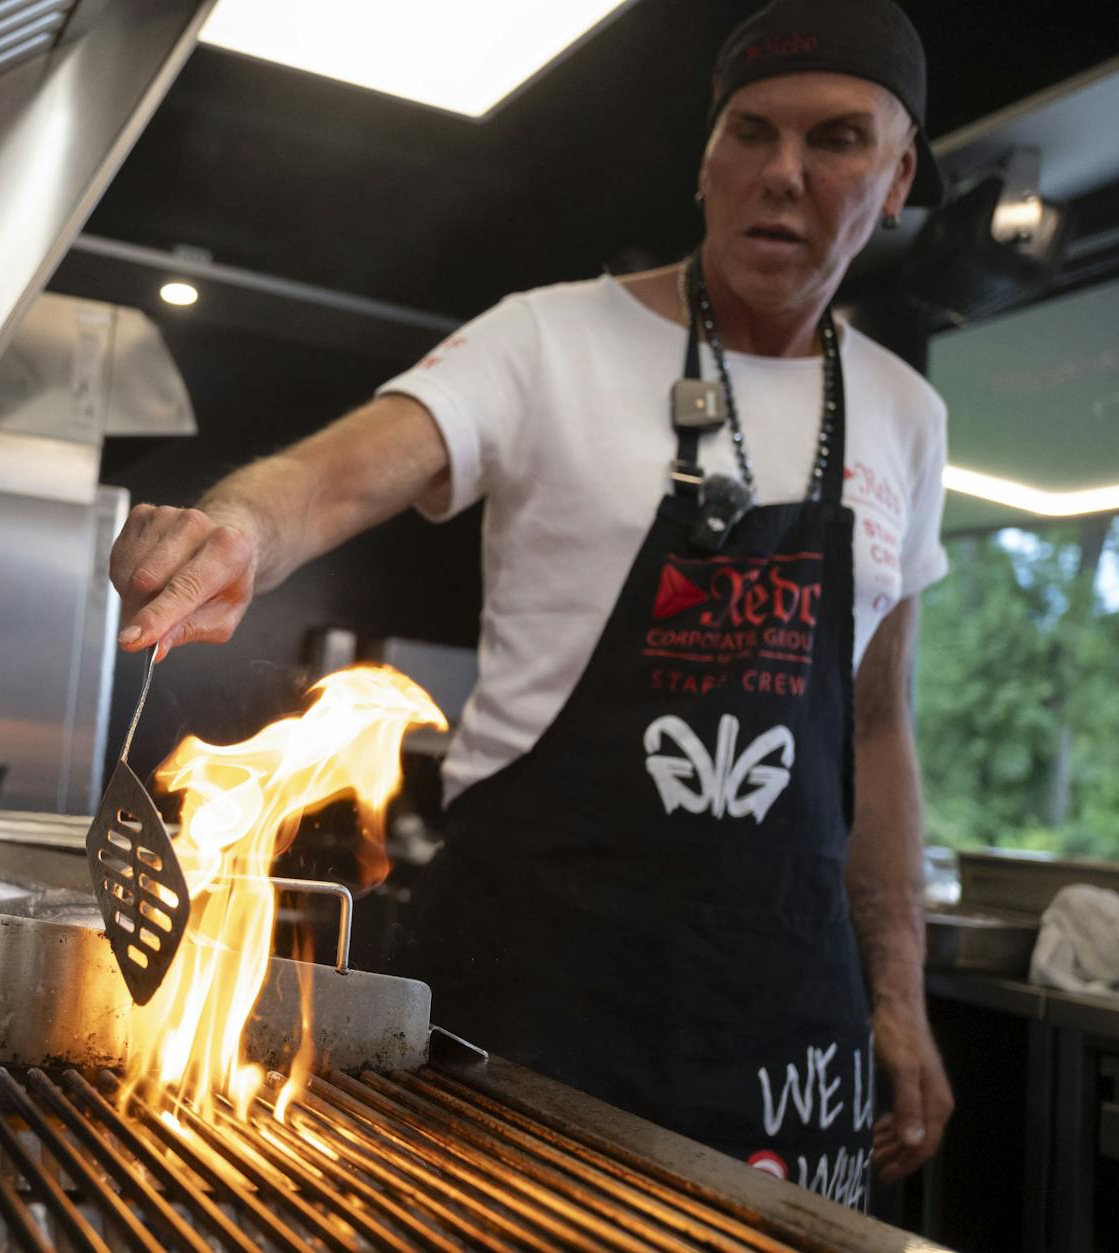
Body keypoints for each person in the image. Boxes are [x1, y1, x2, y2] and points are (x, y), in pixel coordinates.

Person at [108, 0, 955, 1206]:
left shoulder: (906, 416)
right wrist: (234, 527)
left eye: (833, 140)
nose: (779, 173)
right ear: (703, 159)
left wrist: (897, 993)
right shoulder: (545, 340)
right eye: (748, 132)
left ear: (896, 172)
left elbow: (875, 727)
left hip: (778, 1007)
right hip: (531, 973)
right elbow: (332, 474)